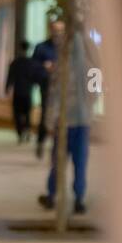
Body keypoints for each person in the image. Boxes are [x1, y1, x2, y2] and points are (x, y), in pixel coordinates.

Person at [37, 27, 94, 214]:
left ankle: (52, 195)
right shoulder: (89, 67)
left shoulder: (61, 67)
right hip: (82, 122)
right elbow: (96, 91)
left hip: (65, 122)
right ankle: (79, 199)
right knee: (80, 162)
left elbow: (53, 95)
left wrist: (49, 121)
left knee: (59, 161)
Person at [31, 19, 64, 158]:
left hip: (63, 90)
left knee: (61, 119)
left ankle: (57, 149)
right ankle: (41, 141)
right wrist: (45, 68)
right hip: (47, 88)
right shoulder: (42, 47)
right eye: (56, 30)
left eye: (61, 30)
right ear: (50, 30)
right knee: (46, 115)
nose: (58, 33)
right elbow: (33, 67)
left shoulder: (66, 49)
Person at [5, 40, 36, 142]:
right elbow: (34, 77)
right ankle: (26, 129)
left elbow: (10, 77)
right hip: (27, 92)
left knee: (17, 113)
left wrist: (7, 88)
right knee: (27, 113)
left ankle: (20, 132)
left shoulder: (15, 62)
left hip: (18, 92)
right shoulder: (30, 63)